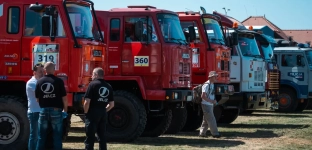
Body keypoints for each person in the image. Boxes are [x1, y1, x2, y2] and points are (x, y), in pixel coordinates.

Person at [35, 62, 68, 150]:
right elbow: (64, 98)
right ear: (54, 70)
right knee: (57, 137)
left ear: (44, 70)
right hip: (56, 111)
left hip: (43, 111)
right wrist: (65, 111)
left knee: (41, 137)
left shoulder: (39, 81)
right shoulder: (59, 81)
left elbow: (37, 99)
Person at [84, 67, 114, 150]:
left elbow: (87, 102)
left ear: (96, 75)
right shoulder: (108, 86)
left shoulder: (92, 84)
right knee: (102, 136)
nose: (92, 76)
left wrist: (86, 112)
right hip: (103, 112)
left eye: (93, 74)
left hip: (92, 112)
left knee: (90, 137)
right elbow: (112, 104)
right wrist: (104, 110)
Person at [26, 63, 44, 150]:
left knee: (39, 135)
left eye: (43, 71)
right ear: (34, 73)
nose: (42, 73)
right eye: (40, 72)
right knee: (34, 135)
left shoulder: (40, 82)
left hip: (40, 111)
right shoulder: (32, 83)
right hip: (34, 112)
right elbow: (42, 94)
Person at [199, 71, 221, 138]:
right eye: (215, 76)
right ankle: (215, 133)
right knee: (211, 119)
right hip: (206, 104)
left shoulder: (212, 84)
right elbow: (203, 96)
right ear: (210, 77)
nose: (216, 78)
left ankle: (202, 133)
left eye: (216, 76)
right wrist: (211, 101)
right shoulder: (206, 85)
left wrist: (213, 101)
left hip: (209, 104)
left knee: (206, 119)